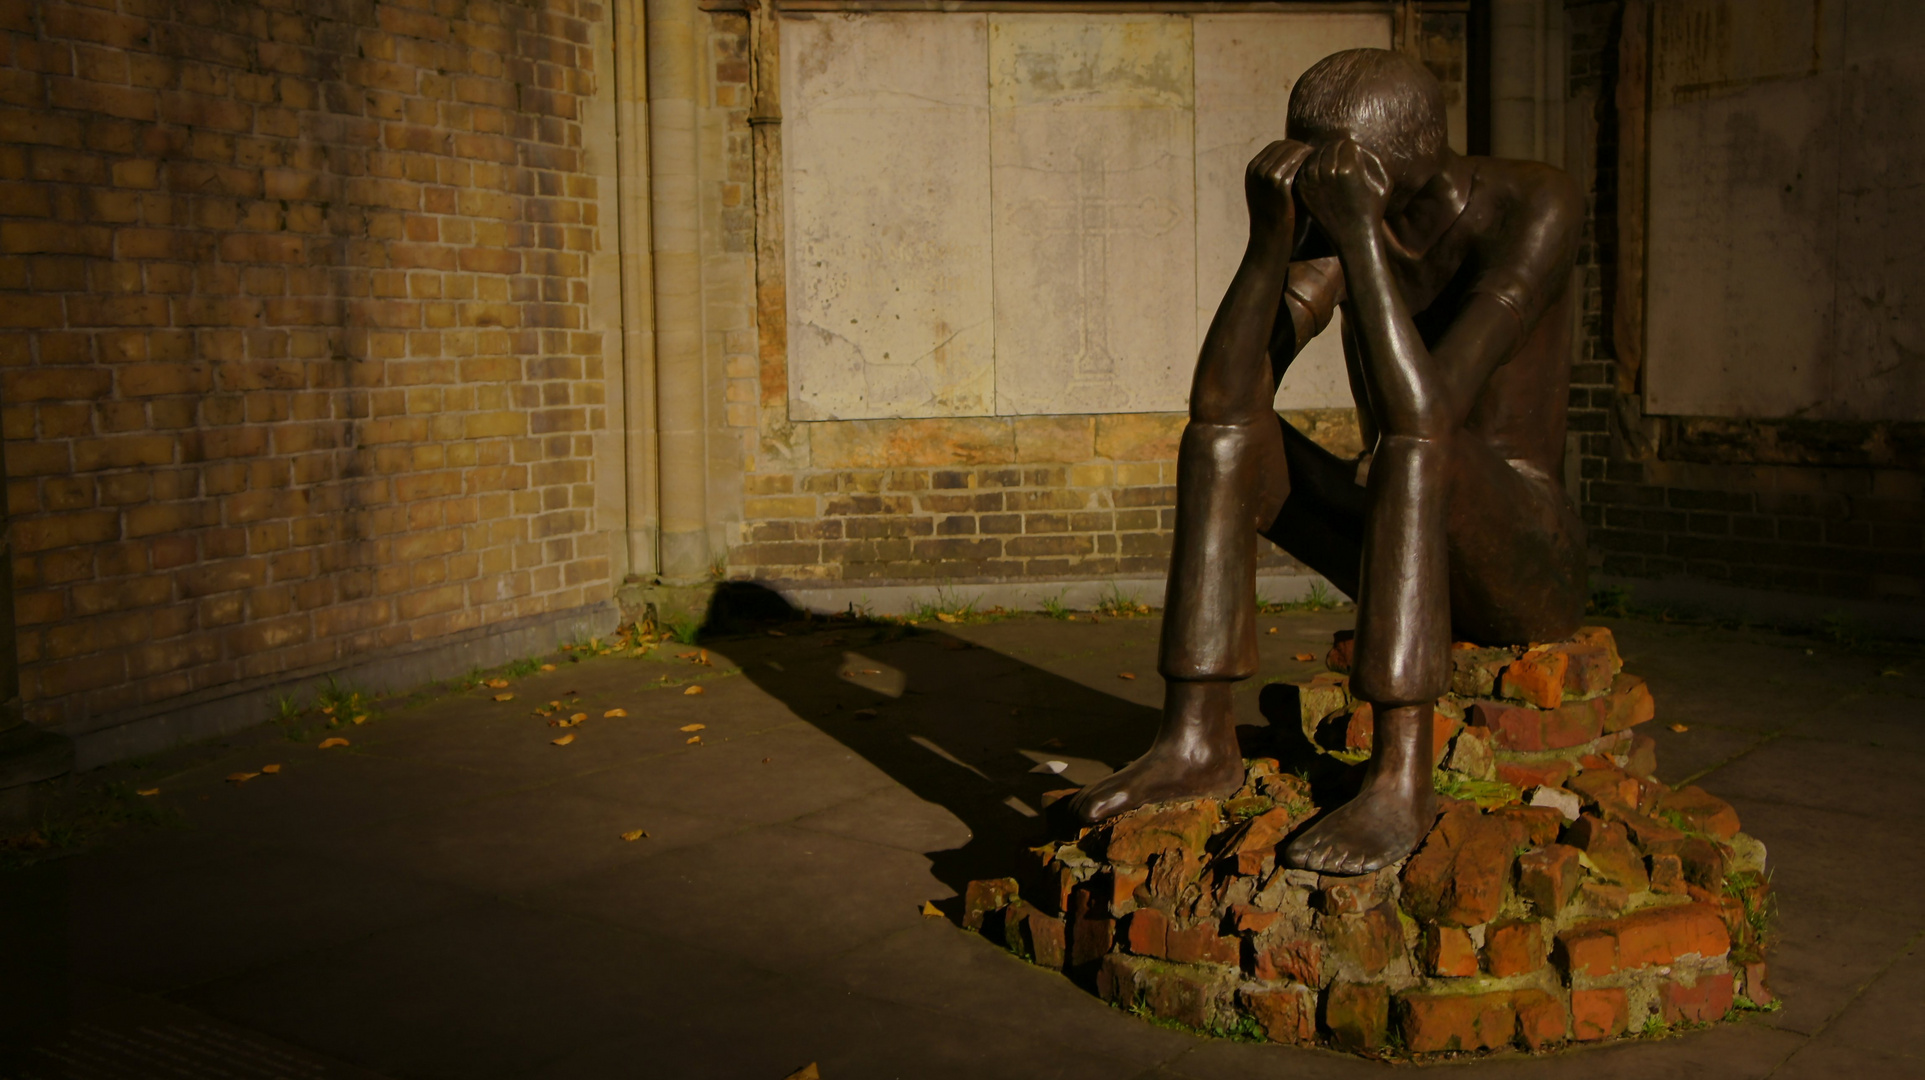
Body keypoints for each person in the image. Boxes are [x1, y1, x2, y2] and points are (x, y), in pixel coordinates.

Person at [1069, 48, 1588, 875]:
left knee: (1413, 448)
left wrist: (1358, 239)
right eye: (1310, 163)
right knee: (1225, 432)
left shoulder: (1533, 203)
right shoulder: (1345, 215)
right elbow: (1219, 394)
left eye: (1342, 165)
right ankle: (1196, 736)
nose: (1322, 179)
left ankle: (1399, 776)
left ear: (1418, 147)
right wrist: (1269, 245)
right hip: (1401, 534)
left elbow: (1424, 410)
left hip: (1522, 557)